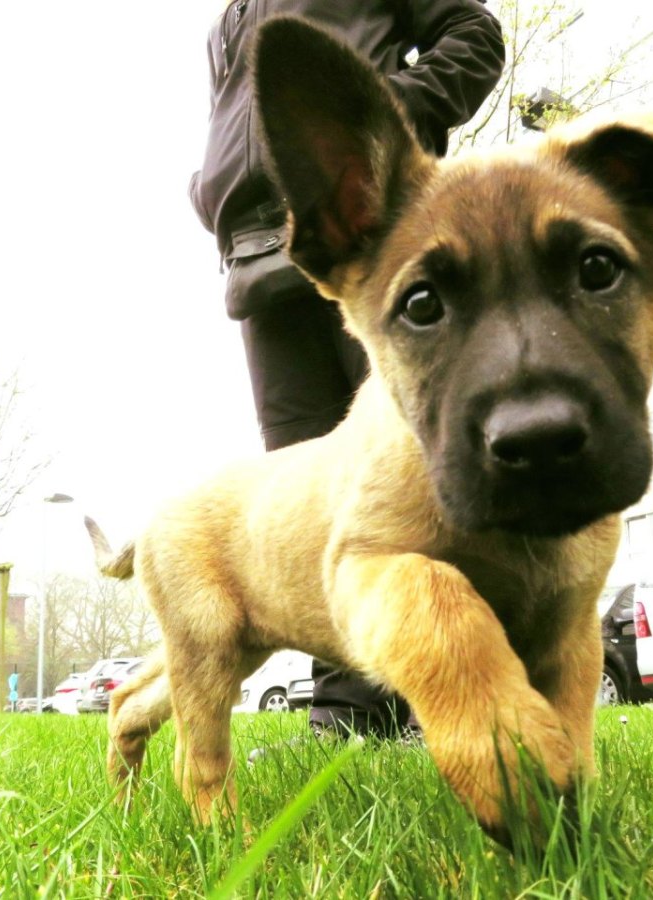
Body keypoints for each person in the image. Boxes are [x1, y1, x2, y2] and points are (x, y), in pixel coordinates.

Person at [189, 1, 505, 739]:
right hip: (259, 263)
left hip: (372, 231)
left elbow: (476, 35)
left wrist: (389, 116)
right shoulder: (228, 21)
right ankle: (350, 715)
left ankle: (464, 675)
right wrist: (208, 189)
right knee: (307, 489)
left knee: (407, 462)